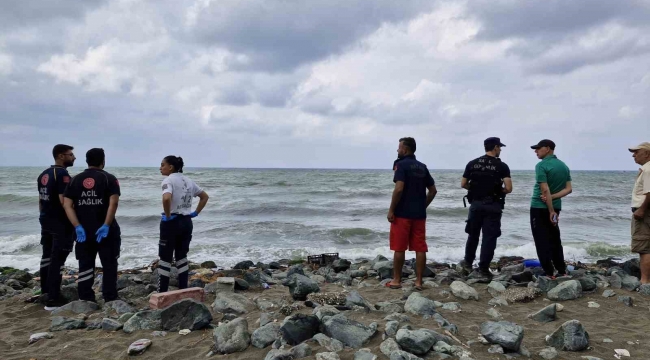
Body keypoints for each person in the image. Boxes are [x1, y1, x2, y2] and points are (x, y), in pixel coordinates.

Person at [63, 148, 121, 302]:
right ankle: (110, 296)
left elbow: (67, 205)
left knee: (85, 263)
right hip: (106, 231)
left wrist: (77, 226)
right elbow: (113, 203)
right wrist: (106, 225)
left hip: (84, 231)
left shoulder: (74, 180)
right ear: (103, 160)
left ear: (87, 161)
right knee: (109, 263)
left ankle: (86, 297)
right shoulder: (109, 178)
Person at [386, 137, 437, 290]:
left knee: (399, 247)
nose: (397, 150)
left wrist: (391, 209)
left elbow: (399, 188)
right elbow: (433, 190)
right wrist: (423, 206)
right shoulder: (422, 167)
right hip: (419, 214)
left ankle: (396, 280)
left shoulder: (400, 165)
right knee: (420, 247)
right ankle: (419, 282)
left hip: (402, 213)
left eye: (399, 147)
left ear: (405, 149)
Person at [459, 137, 512, 280]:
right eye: (499, 147)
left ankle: (468, 263)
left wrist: (476, 189)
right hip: (493, 206)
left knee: (473, 235)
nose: (500, 150)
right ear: (495, 147)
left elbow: (463, 183)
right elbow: (509, 188)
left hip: (476, 204)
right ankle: (483, 268)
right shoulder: (502, 166)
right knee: (489, 238)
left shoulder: (472, 163)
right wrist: (497, 191)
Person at [157, 156, 209, 293]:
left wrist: (168, 216)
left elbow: (166, 198)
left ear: (171, 167)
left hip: (172, 222)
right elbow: (205, 196)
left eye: (163, 165)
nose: (160, 168)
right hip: (186, 222)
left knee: (165, 258)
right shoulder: (189, 180)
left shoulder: (168, 180)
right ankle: (183, 289)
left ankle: (162, 292)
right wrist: (195, 212)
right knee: (181, 256)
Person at [37, 144, 76, 310]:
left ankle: (45, 291)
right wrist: (76, 220)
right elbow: (63, 201)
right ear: (61, 156)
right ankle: (53, 298)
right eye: (70, 155)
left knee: (47, 256)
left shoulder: (43, 174)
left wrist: (43, 217)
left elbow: (40, 200)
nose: (73, 157)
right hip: (60, 223)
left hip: (46, 220)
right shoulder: (62, 174)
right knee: (57, 259)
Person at [529, 139, 572, 278]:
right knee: (554, 238)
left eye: (538, 148)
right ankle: (561, 270)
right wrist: (553, 200)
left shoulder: (541, 165)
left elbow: (544, 189)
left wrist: (550, 209)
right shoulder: (564, 166)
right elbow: (568, 189)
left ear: (547, 149)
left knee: (541, 239)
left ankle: (548, 272)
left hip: (539, 207)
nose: (536, 151)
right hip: (556, 206)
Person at [629, 142, 650, 284]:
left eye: (637, 152)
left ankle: (645, 281)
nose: (633, 155)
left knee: (644, 248)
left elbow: (649, 192)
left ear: (647, 153)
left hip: (645, 211)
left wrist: (641, 209)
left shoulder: (648, 170)